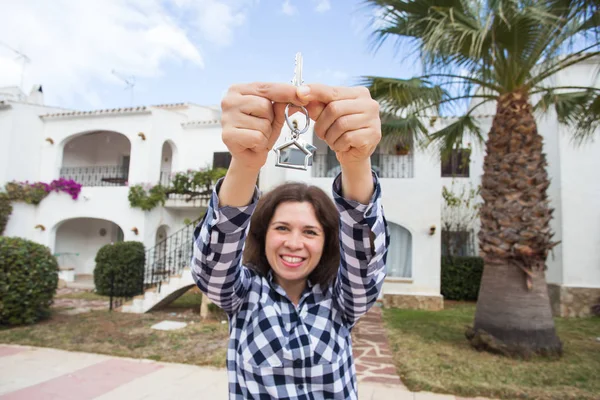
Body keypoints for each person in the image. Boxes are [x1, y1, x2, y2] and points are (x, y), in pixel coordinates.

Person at [191, 82, 389, 399]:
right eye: (282, 228)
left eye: (310, 231)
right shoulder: (242, 295)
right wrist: (244, 163)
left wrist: (356, 161)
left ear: (327, 241)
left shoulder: (343, 300)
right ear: (262, 234)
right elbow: (210, 268)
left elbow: (366, 263)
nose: (294, 243)